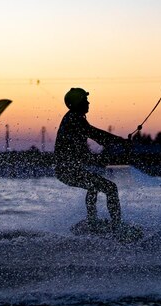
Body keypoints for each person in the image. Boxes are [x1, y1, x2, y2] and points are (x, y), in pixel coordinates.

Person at [54, 87, 129, 227]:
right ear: (78, 103)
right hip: (67, 171)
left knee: (93, 186)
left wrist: (101, 157)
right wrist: (120, 141)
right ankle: (117, 227)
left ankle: (92, 221)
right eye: (86, 100)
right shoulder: (74, 119)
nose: (89, 103)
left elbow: (85, 150)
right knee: (111, 188)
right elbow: (95, 134)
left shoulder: (74, 118)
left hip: (66, 170)